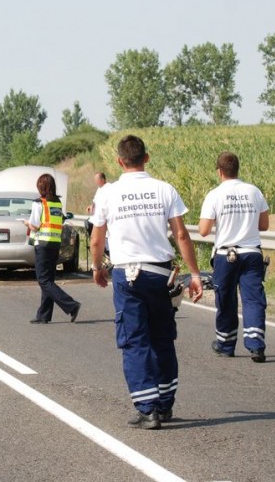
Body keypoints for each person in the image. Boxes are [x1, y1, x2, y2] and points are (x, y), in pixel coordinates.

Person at [90, 135, 203, 430]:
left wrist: (97, 267)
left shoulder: (108, 194)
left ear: (119, 161)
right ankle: (164, 405)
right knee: (162, 338)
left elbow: (97, 239)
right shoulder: (164, 189)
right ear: (146, 158)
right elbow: (181, 235)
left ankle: (147, 408)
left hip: (126, 274)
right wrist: (194, 274)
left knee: (134, 341)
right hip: (160, 274)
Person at [199, 152, 271, 363]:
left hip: (225, 254)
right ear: (238, 169)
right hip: (251, 253)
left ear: (219, 171)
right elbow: (264, 225)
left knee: (226, 299)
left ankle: (226, 344)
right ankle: (256, 345)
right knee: (253, 299)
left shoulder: (215, 194)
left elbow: (203, 230)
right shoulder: (254, 191)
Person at [23, 173, 82, 324]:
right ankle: (44, 315)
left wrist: (26, 223)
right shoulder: (57, 203)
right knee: (48, 280)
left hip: (42, 244)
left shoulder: (39, 203)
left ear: (41, 187)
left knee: (43, 281)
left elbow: (35, 226)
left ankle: (71, 305)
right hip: (54, 244)